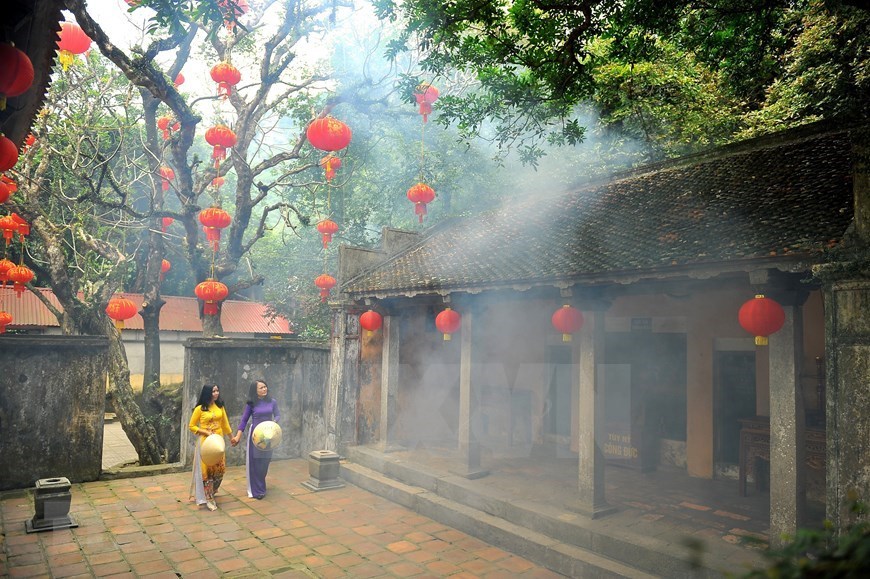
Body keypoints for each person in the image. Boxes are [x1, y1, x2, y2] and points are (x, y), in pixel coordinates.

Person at [230, 379, 280, 500]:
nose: (264, 389)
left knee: (265, 462)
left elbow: (277, 415)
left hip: (269, 435)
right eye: (261, 388)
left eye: (265, 387)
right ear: (255, 391)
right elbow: (244, 420)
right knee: (257, 462)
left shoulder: (272, 402)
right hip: (256, 436)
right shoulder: (251, 404)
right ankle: (258, 490)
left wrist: (274, 423)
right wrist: (237, 436)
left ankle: (261, 483)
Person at [189, 384, 232, 511]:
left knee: (219, 470)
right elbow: (192, 426)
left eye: (217, 390)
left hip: (218, 443)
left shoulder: (220, 407)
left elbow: (225, 424)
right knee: (207, 472)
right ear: (208, 393)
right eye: (213, 391)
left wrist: (232, 437)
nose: (216, 393)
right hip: (206, 444)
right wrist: (205, 432)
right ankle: (208, 498)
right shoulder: (200, 409)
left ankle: (212, 491)